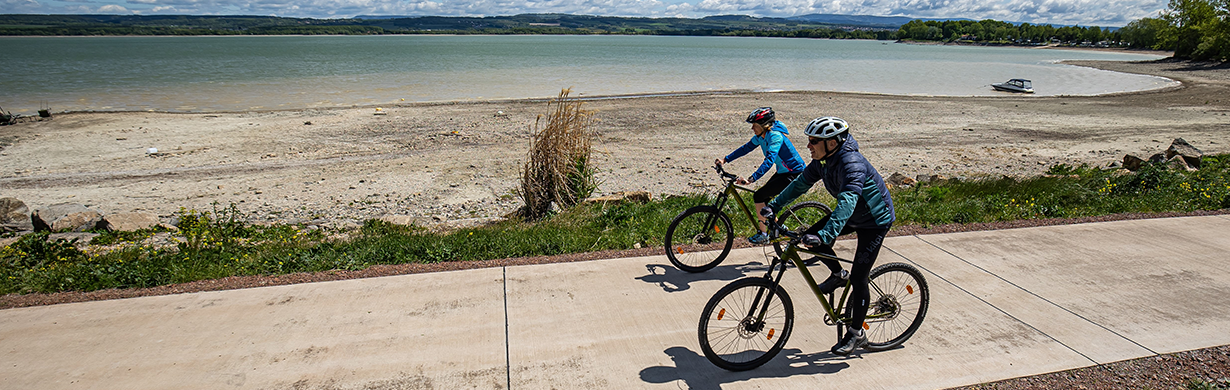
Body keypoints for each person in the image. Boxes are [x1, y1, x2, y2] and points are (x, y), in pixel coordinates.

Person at [763, 116, 895, 357]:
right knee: (809, 238)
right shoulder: (822, 162)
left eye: (813, 141)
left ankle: (857, 334)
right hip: (853, 215)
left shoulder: (852, 164)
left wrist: (826, 235)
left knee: (859, 277)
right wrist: (774, 205)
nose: (808, 146)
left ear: (832, 143)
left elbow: (848, 201)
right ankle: (837, 275)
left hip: (874, 221)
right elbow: (800, 184)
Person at [715, 107, 806, 245]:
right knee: (764, 201)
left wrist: (751, 179)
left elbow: (769, 160)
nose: (752, 128)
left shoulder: (775, 136)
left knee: (759, 196)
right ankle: (778, 228)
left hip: (794, 173)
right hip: (783, 172)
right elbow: (746, 148)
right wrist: (725, 159)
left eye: (755, 125)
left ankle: (763, 234)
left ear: (764, 125)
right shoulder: (761, 136)